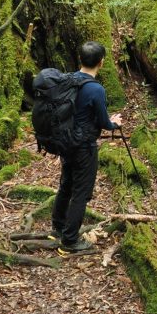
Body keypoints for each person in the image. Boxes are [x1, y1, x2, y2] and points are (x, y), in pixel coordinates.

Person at [50, 41, 120, 253]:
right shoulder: (95, 89)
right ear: (101, 62)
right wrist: (115, 122)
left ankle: (58, 228)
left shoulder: (68, 80)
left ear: (79, 59)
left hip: (66, 143)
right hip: (84, 147)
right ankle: (70, 240)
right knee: (81, 193)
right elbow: (103, 123)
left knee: (66, 185)